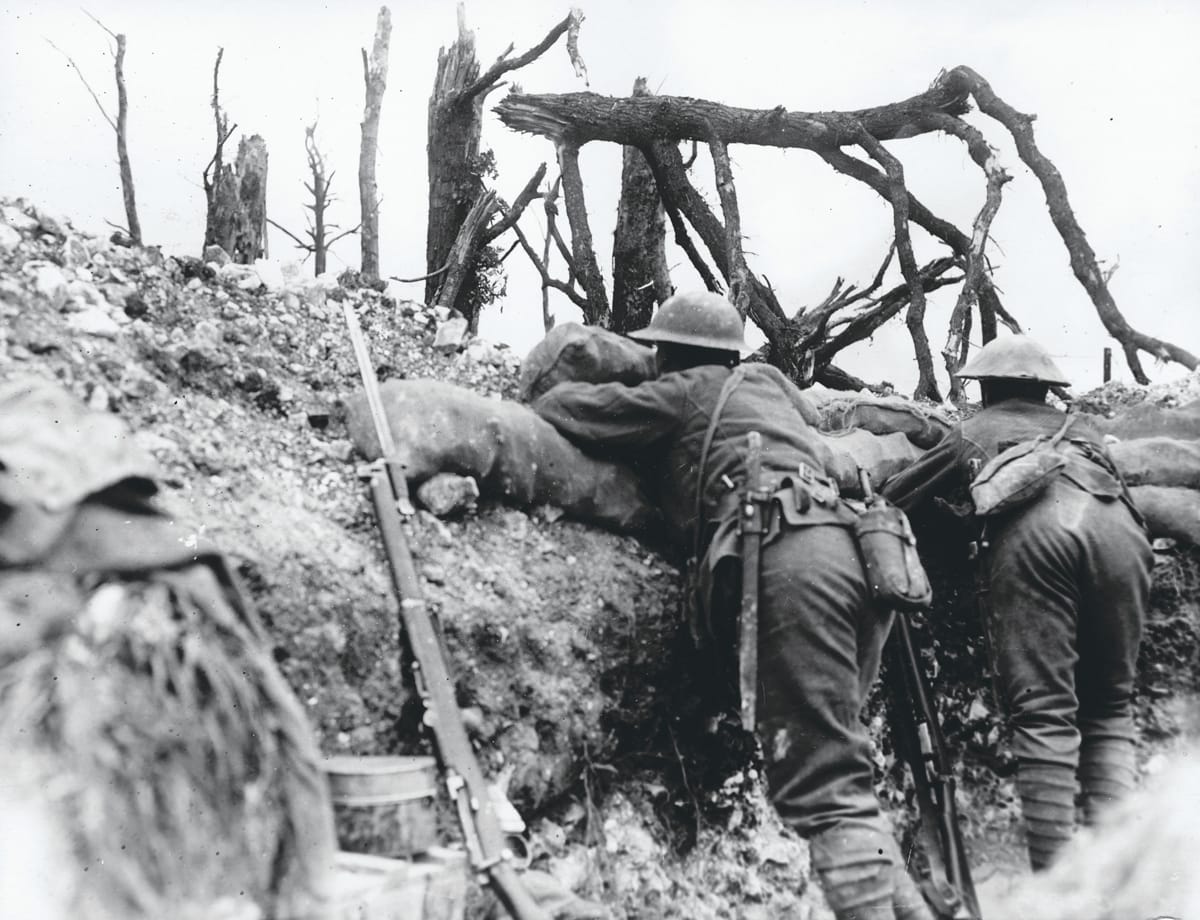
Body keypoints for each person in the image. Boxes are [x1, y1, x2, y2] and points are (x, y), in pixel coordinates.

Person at [532, 291, 932, 920]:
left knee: (825, 790)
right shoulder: (770, 388)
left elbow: (567, 408)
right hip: (857, 556)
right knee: (843, 773)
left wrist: (631, 371)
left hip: (789, 563)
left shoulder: (683, 390)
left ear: (668, 351)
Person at [882, 335, 1152, 871]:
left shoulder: (973, 432)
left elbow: (897, 500)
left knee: (1047, 716)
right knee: (1110, 709)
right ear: (1049, 391)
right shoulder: (1087, 433)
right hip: (1122, 534)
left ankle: (1060, 890)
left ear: (984, 388)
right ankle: (1119, 883)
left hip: (1040, 542)